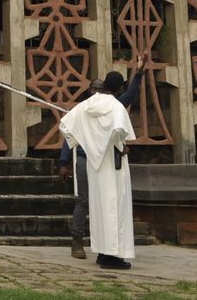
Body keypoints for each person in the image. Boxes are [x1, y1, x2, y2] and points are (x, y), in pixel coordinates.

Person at [58, 56, 144, 270]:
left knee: (97, 209)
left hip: (91, 165)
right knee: (114, 208)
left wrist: (88, 143)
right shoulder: (115, 107)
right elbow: (119, 131)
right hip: (111, 166)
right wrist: (117, 147)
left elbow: (67, 127)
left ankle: (102, 253)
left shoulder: (86, 105)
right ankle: (111, 257)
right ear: (118, 88)